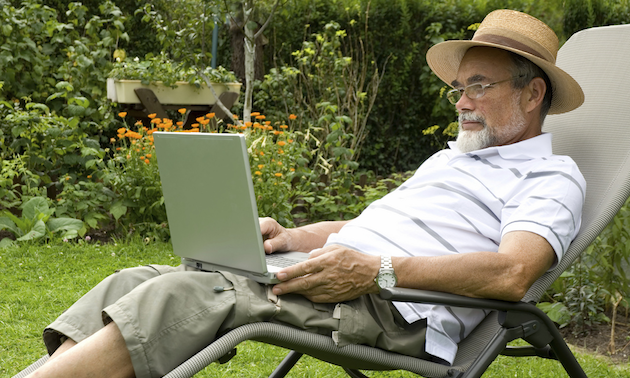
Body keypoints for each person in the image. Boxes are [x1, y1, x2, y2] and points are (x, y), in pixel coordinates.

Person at [23, 9, 586, 378]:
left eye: (478, 87)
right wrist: (292, 236)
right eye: (459, 89)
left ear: (533, 93)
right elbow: (362, 230)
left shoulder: (550, 178)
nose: (461, 102)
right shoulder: (451, 159)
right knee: (135, 280)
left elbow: (513, 274)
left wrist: (378, 270)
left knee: (186, 297)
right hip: (343, 278)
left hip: (396, 311)